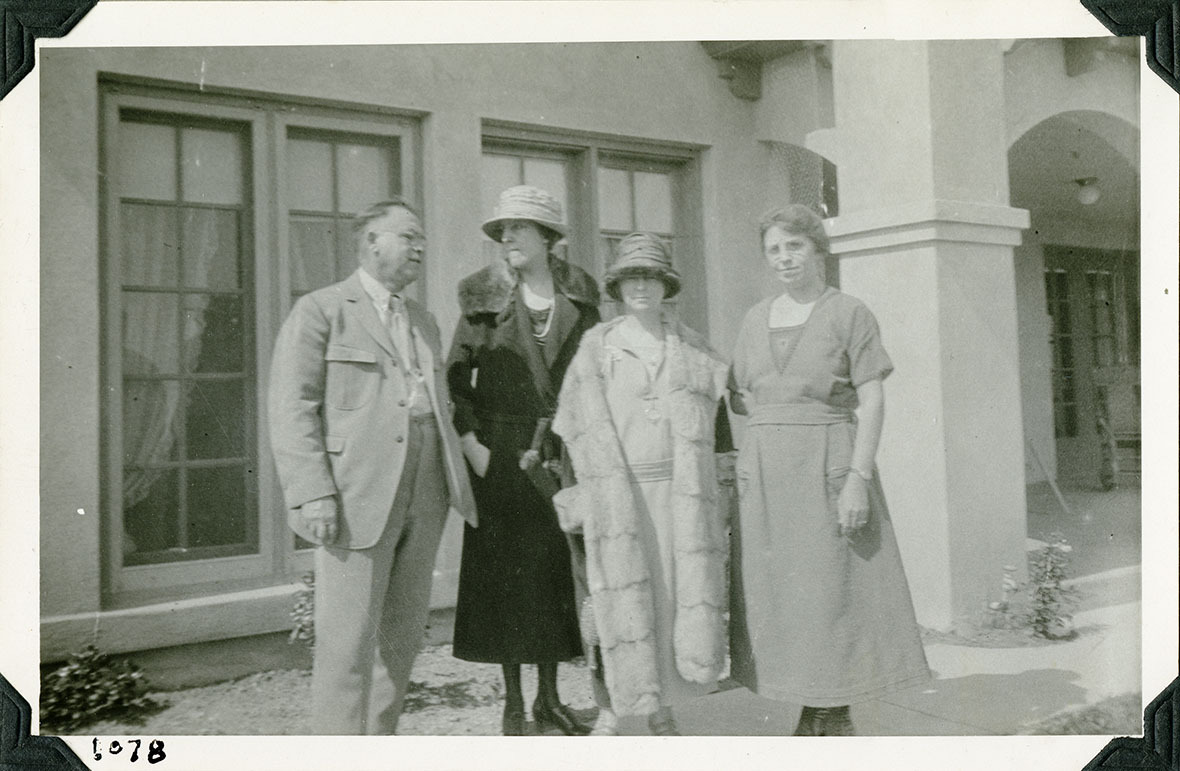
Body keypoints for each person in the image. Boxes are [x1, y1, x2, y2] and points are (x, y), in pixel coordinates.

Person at [268, 198, 477, 735]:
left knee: (402, 637)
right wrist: (312, 492)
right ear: (371, 243)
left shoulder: (424, 320)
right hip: (355, 494)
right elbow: (291, 406)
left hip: (426, 490)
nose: (420, 248)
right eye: (408, 236)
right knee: (347, 645)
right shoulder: (322, 310)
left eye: (421, 239)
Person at [727, 204, 930, 736]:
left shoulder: (849, 313)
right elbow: (741, 397)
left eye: (794, 246)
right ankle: (806, 704)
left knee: (831, 593)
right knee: (780, 595)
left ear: (818, 249)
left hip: (827, 466)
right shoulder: (754, 319)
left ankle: (831, 711)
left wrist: (858, 477)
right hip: (767, 477)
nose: (784, 258)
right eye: (774, 249)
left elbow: (874, 400)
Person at [552, 232, 729, 736]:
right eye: (632, 277)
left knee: (676, 599)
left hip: (678, 497)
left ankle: (663, 708)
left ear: (665, 283)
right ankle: (615, 706)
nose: (642, 287)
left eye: (651, 276)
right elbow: (573, 429)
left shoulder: (694, 348)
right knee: (617, 602)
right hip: (621, 497)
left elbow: (720, 429)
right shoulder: (597, 347)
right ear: (618, 286)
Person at [447, 185, 599, 736]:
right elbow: (454, 382)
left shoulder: (582, 300)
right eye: (502, 230)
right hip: (501, 455)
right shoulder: (481, 301)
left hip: (561, 454)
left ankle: (550, 699)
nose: (506, 238)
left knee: (557, 577)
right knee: (508, 581)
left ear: (546, 238)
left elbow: (594, 376)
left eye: (518, 228)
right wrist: (473, 447)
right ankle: (513, 702)